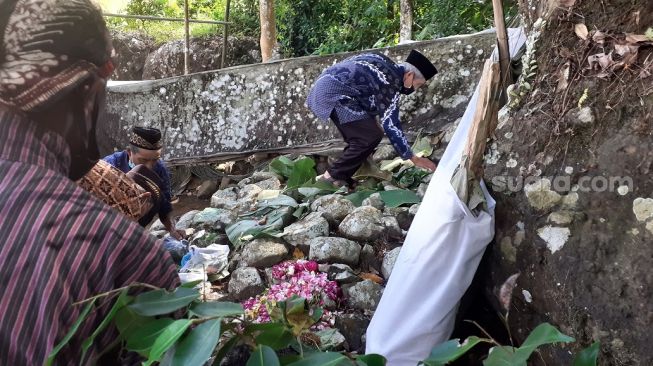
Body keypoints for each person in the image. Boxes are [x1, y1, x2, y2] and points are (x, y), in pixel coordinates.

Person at [0, 0, 179, 364]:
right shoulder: (122, 254)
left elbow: (166, 207)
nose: (151, 163)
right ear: (89, 88)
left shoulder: (159, 176)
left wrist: (173, 230)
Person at [307, 50, 439, 187]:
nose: (415, 89)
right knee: (370, 137)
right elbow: (391, 125)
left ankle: (344, 178)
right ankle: (330, 177)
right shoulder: (390, 81)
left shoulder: (384, 62)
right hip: (334, 94)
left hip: (324, 88)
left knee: (363, 136)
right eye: (418, 84)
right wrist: (413, 158)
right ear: (409, 75)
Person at [103, 127, 184, 239]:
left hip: (136, 228)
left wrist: (172, 229)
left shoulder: (160, 169)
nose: (150, 167)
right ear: (129, 152)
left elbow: (164, 206)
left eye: (155, 160)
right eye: (143, 160)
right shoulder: (109, 166)